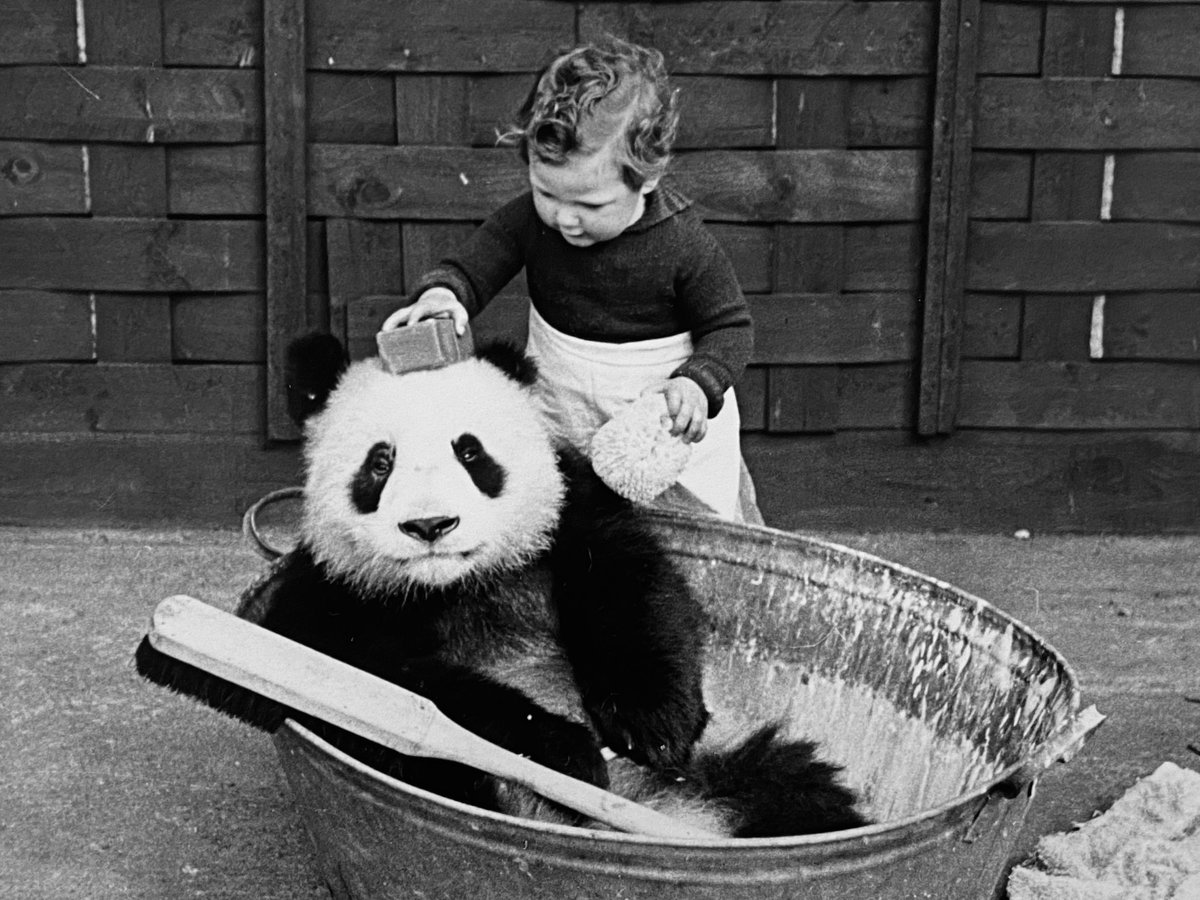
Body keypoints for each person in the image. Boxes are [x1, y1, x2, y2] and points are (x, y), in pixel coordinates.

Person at [383, 37, 762, 524]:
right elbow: (475, 265)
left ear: (646, 178)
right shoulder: (530, 222)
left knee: (681, 527)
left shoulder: (683, 244)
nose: (565, 219)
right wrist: (444, 293)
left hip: (657, 415)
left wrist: (697, 383)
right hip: (563, 397)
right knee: (566, 511)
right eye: (547, 193)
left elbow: (730, 327)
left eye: (590, 205)